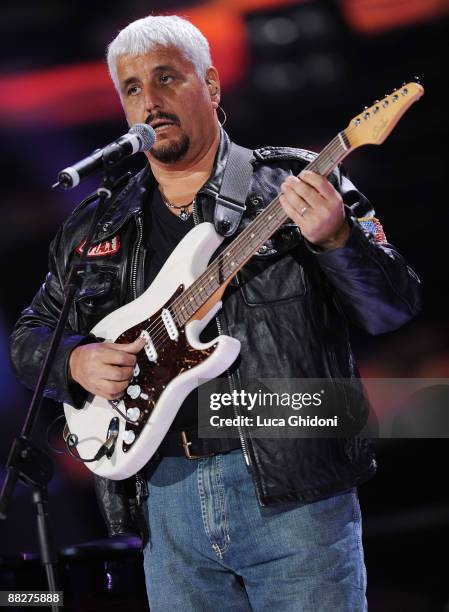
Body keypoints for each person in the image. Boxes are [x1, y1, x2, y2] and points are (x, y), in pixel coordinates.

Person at [10, 14, 421, 612]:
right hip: (163, 504)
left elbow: (394, 308)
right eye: (131, 88)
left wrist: (337, 240)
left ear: (212, 85)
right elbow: (30, 336)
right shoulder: (97, 224)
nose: (150, 100)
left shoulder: (293, 180)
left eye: (167, 78)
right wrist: (76, 362)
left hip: (293, 496)